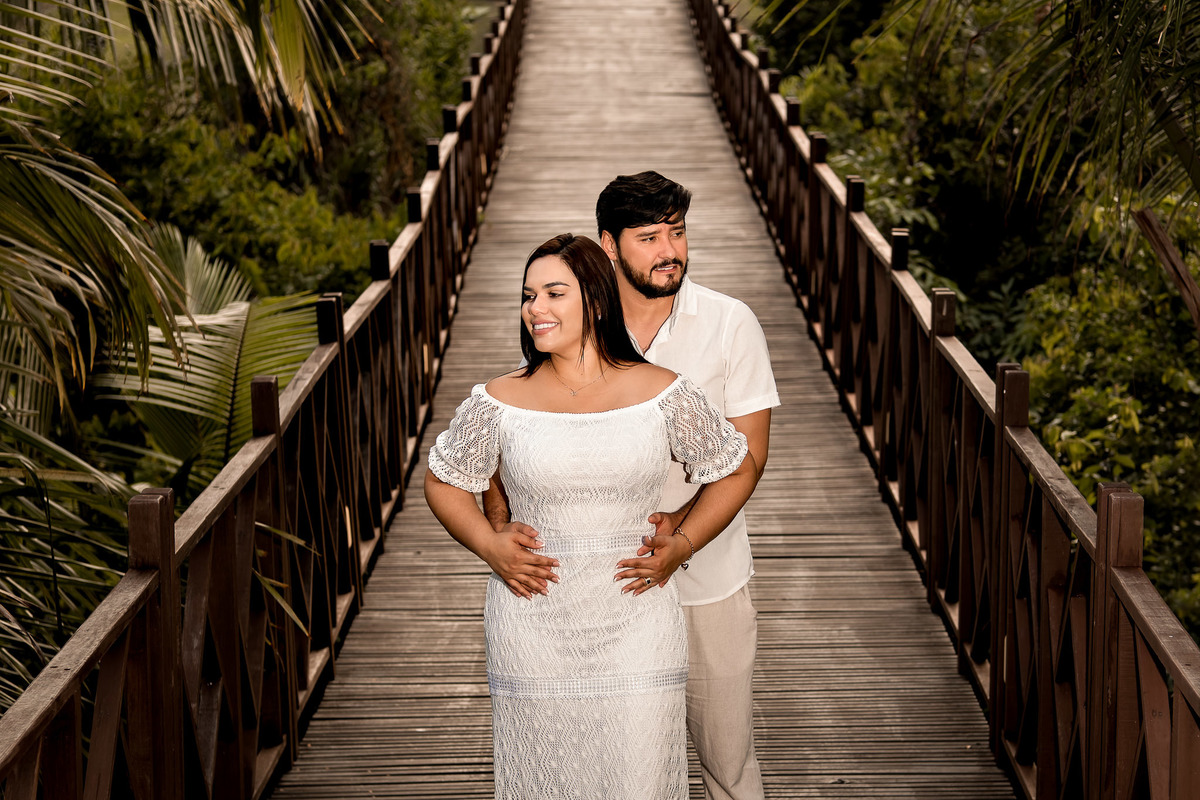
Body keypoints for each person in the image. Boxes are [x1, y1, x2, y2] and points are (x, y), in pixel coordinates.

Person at [424, 233, 758, 799]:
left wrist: (684, 542)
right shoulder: (497, 399)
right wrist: (488, 543)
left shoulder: (664, 391)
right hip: (534, 624)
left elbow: (736, 466)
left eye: (554, 293)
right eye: (529, 296)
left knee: (639, 779)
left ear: (596, 302)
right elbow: (443, 480)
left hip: (636, 620)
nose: (536, 309)